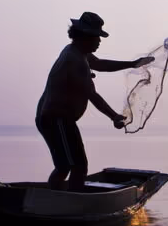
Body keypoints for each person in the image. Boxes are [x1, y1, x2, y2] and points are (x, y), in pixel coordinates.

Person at [35, 12, 153, 191]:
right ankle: (64, 202)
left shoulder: (77, 52)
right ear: (84, 36)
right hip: (56, 119)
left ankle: (63, 199)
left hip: (59, 120)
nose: (99, 41)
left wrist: (132, 64)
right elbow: (93, 95)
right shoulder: (74, 59)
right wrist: (114, 116)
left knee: (72, 165)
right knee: (73, 166)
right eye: (96, 37)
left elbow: (101, 65)